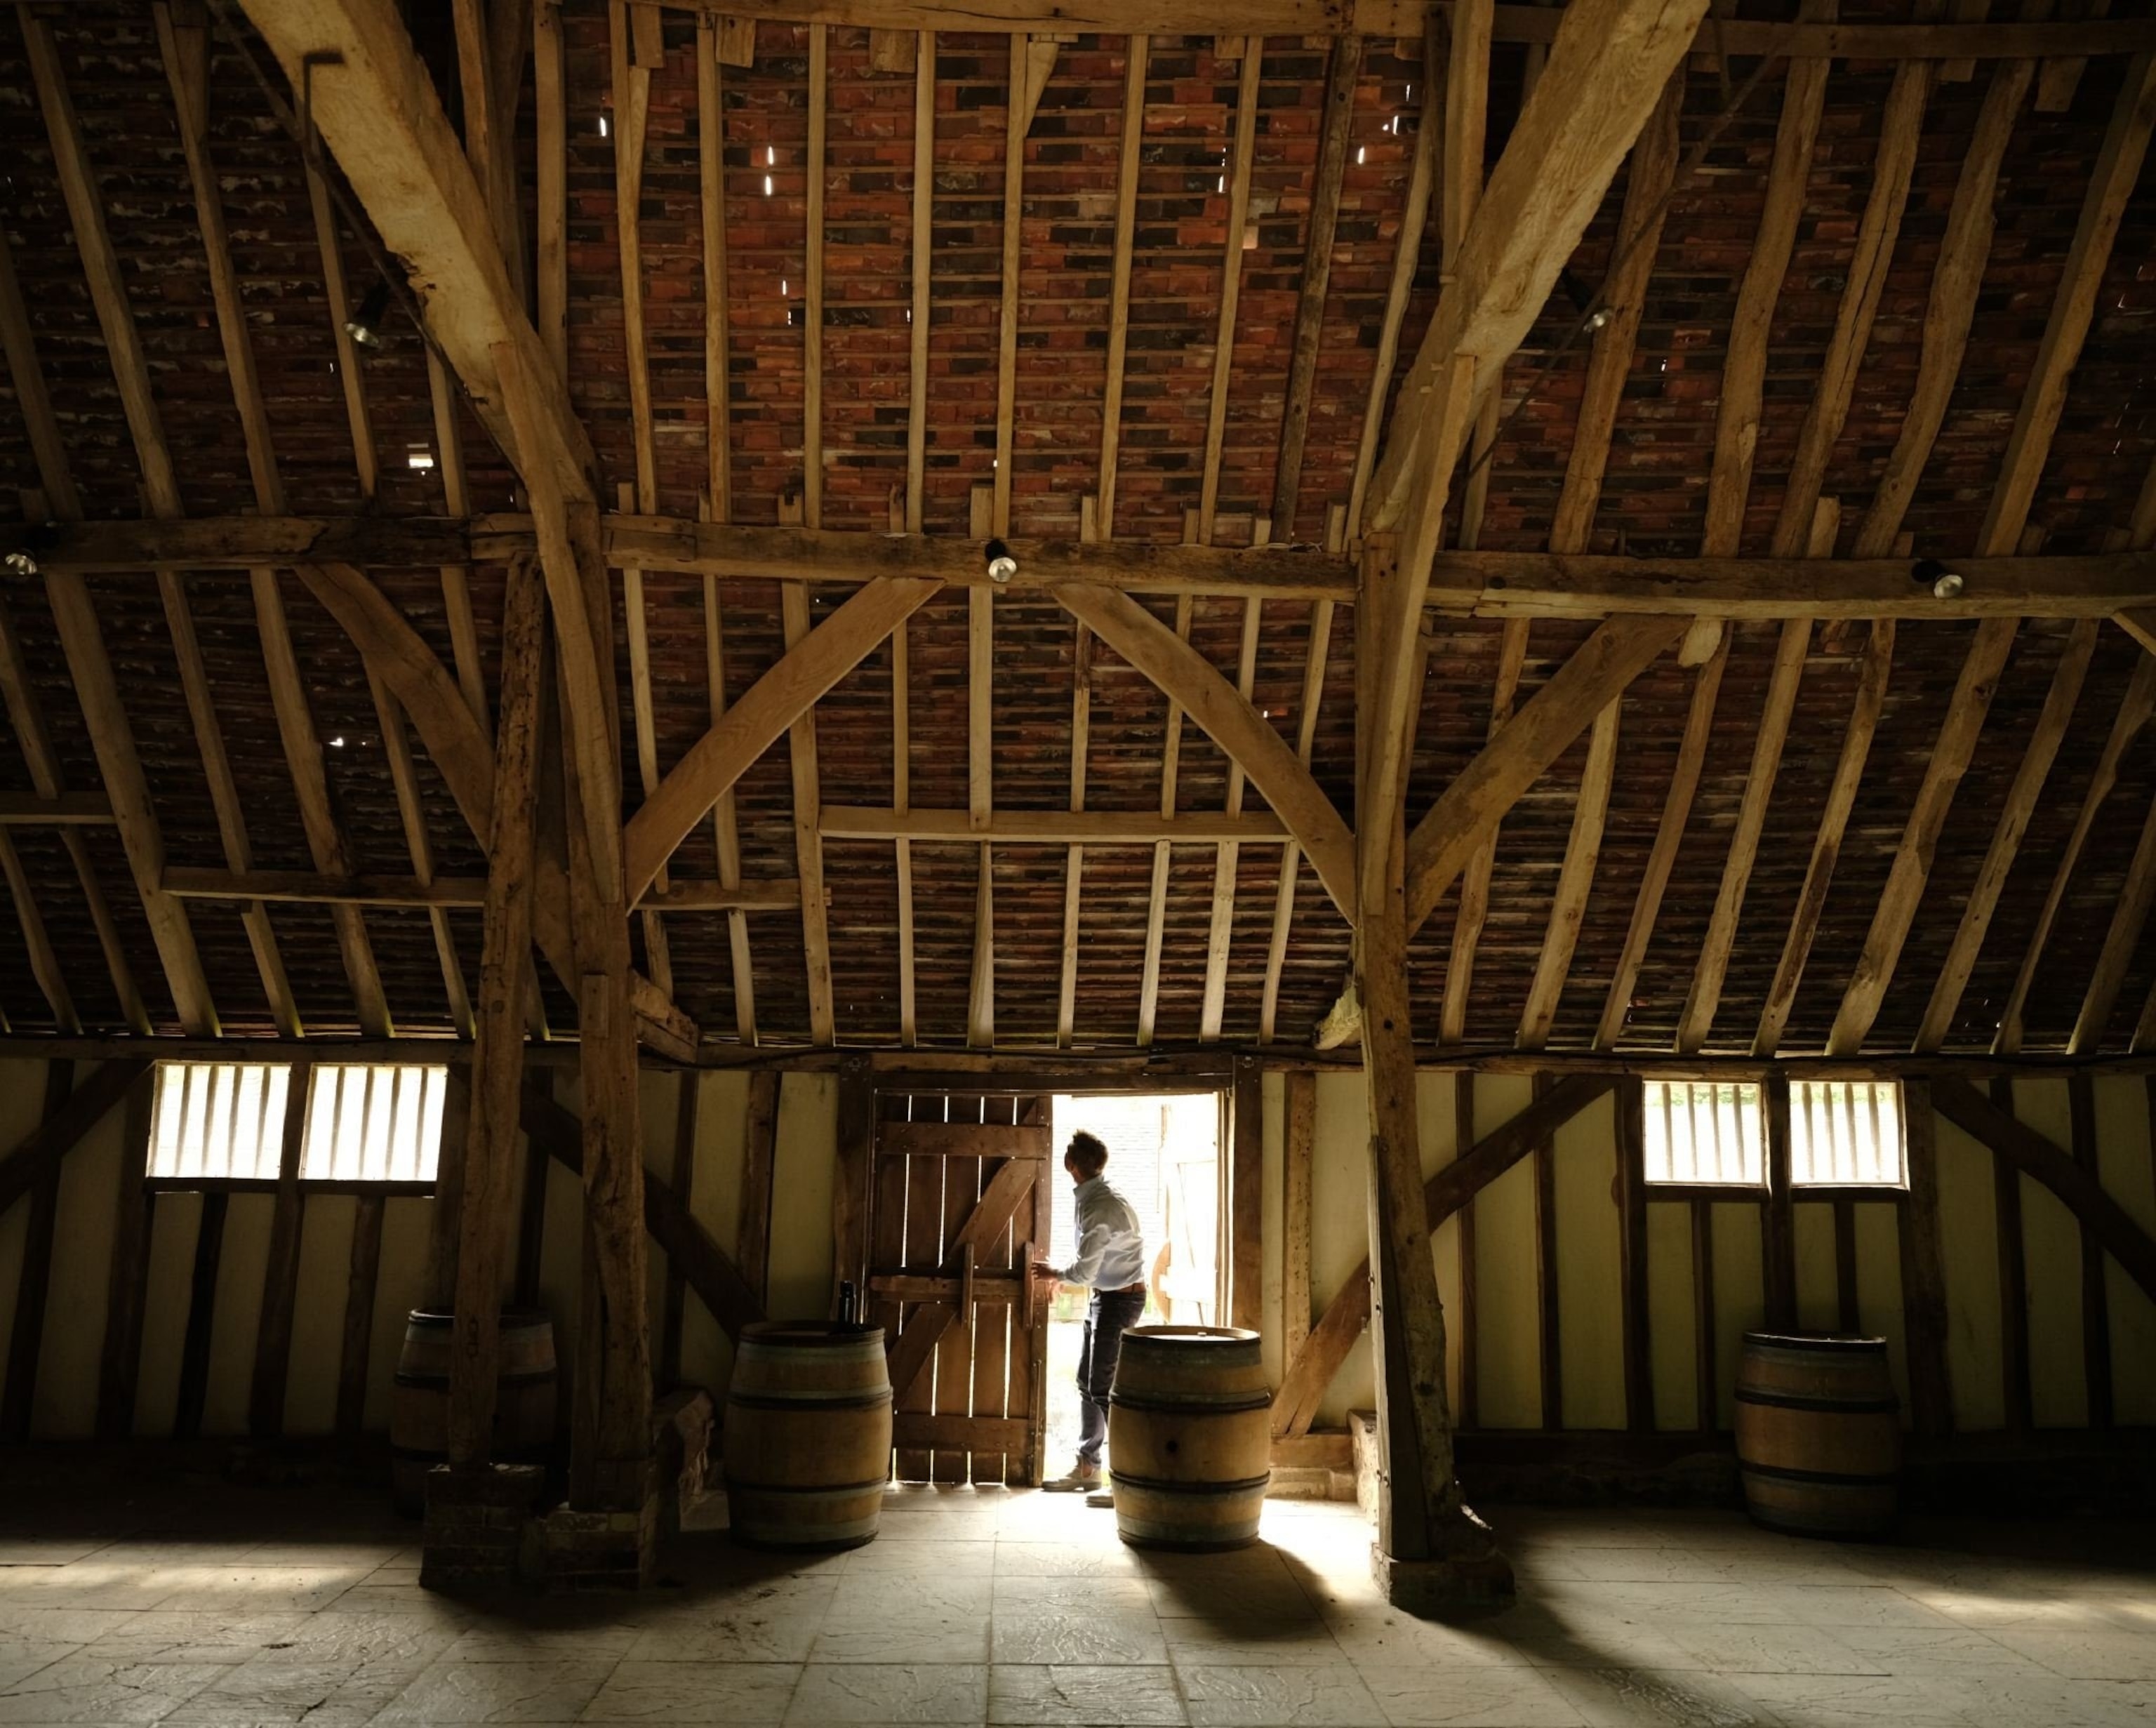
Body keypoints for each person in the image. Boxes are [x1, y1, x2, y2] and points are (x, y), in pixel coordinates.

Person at [1030, 1129, 1146, 1495]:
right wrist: (1067, 1273)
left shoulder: (1099, 1206)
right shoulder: (1097, 1196)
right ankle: (1088, 1468)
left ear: (1070, 1164)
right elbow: (1091, 1261)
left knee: (1103, 1387)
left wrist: (1054, 1274)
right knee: (1087, 1382)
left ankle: (1132, 1475)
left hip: (1119, 1301)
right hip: (1108, 1297)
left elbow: (1085, 1270)